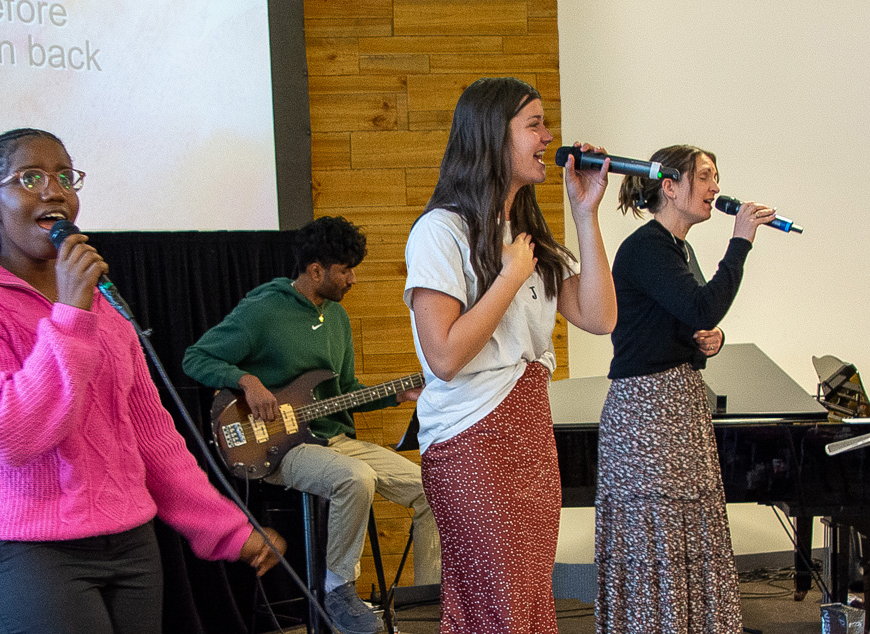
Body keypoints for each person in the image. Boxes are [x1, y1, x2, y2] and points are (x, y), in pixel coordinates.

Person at [0, 128, 284, 634]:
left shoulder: (101, 304)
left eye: (64, 176)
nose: (53, 190)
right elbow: (7, 434)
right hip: (32, 550)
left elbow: (154, 440)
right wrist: (71, 315)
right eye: (30, 177)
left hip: (131, 541)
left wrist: (227, 528)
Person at [404, 77, 615, 634]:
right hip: (469, 437)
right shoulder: (440, 232)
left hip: (529, 430)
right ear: (494, 136)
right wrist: (508, 277)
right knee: (497, 607)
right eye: (535, 125)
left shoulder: (527, 234)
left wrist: (586, 212)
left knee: (525, 604)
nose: (549, 137)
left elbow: (599, 317)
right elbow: (444, 357)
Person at [182, 215, 437, 634]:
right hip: (279, 447)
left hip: (334, 439)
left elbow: (348, 389)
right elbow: (196, 358)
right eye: (345, 269)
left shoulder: (336, 318)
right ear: (316, 270)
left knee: (433, 490)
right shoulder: (263, 309)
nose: (352, 279)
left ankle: (431, 602)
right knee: (354, 477)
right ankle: (337, 588)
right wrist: (247, 382)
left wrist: (397, 394)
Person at [596, 145, 776, 633]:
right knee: (659, 535)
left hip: (676, 403)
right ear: (670, 187)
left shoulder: (678, 248)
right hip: (648, 412)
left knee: (685, 532)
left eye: (717, 177)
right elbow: (701, 307)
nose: (716, 187)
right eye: (706, 176)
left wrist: (706, 342)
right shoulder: (646, 246)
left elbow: (690, 318)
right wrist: (741, 242)